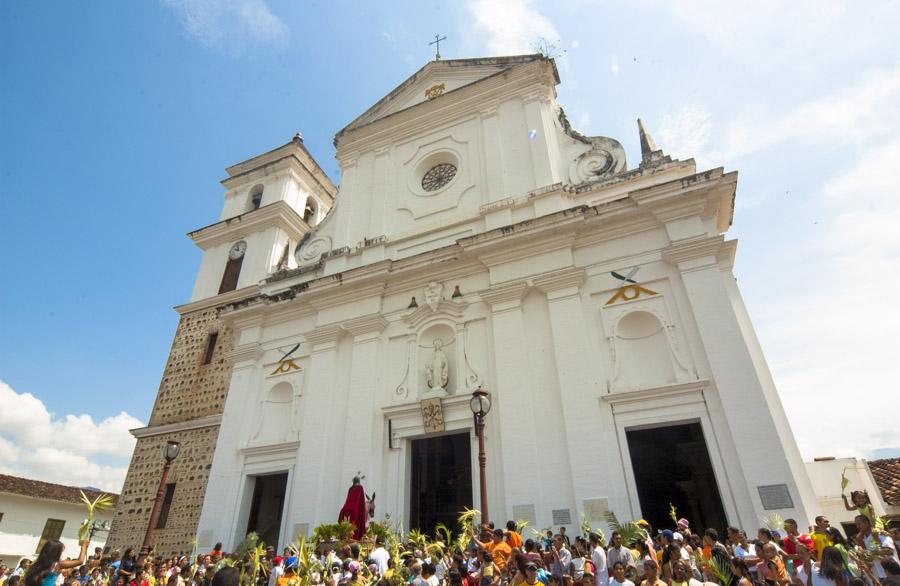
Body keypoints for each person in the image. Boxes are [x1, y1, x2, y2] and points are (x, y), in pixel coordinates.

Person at [24, 540, 90, 586]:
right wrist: (84, 546)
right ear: (56, 553)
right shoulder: (57, 565)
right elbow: (80, 561)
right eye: (61, 552)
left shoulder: (36, 564)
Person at [854, 514, 898, 580]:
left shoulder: (879, 534)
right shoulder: (863, 539)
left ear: (867, 523)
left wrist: (873, 552)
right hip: (879, 575)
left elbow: (890, 551)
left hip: (893, 573)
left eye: (859, 524)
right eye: (856, 525)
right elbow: (869, 559)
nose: (857, 527)